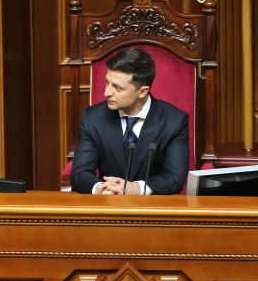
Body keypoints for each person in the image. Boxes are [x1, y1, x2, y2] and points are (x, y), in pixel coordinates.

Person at [70, 47, 190, 195]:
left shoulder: (174, 121)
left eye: (117, 88)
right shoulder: (93, 118)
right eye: (107, 83)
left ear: (142, 91)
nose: (106, 92)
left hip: (154, 210)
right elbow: (79, 173)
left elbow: (175, 178)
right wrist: (101, 189)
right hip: (108, 207)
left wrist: (138, 188)